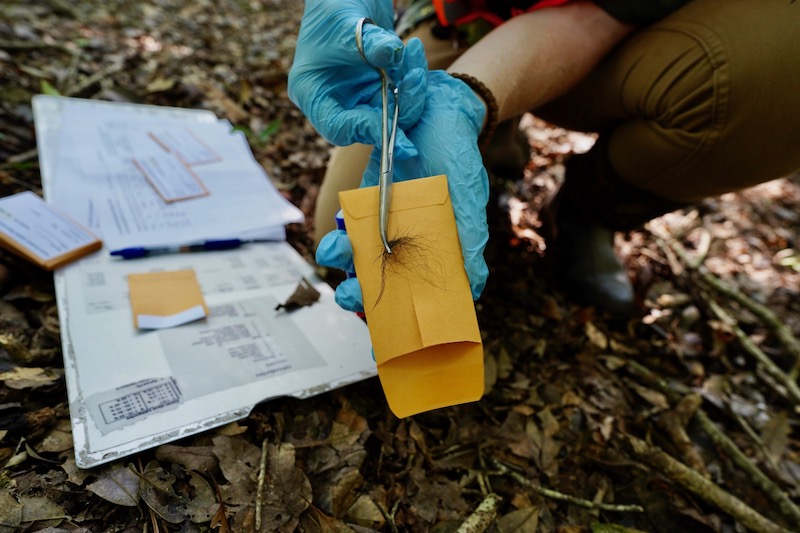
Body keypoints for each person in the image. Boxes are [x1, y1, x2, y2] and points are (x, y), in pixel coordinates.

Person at [288, 0, 800, 317]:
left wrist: (468, 100)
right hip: (463, 18)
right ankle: (491, 153)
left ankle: (590, 209)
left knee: (780, 71)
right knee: (343, 223)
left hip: (624, 36)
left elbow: (594, 17)